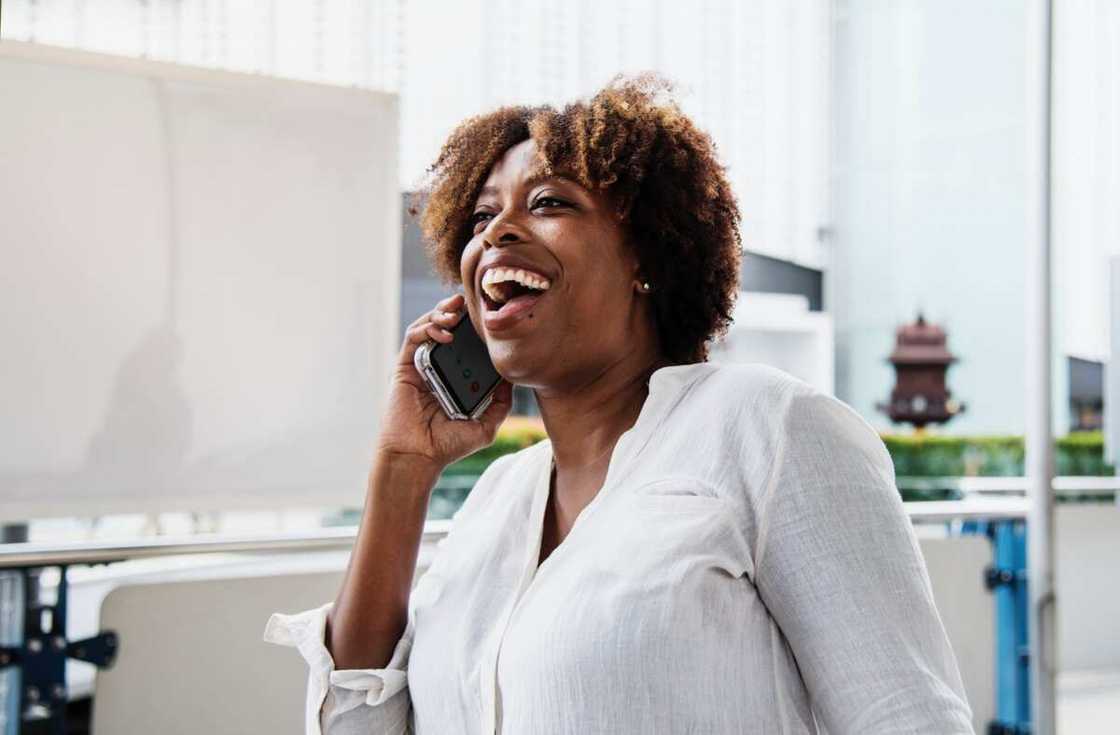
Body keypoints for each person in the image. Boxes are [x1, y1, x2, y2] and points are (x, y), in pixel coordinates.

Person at [263, 73, 974, 734]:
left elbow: (908, 716)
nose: (498, 232)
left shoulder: (771, 428)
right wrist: (401, 469)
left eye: (547, 202)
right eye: (481, 216)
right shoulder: (495, 500)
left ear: (646, 255)